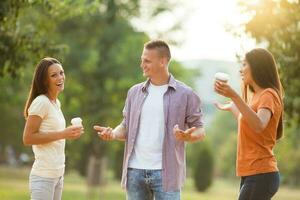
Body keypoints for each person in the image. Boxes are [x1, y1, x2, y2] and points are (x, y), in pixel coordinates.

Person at [94, 40, 205, 200]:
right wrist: (113, 134)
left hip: (167, 174)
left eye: (147, 61)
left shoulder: (185, 94)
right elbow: (126, 126)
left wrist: (189, 136)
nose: (142, 65)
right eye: (142, 60)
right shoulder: (134, 92)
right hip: (135, 172)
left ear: (163, 61)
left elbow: (200, 129)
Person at [214, 48, 284, 200]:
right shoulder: (257, 96)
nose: (241, 70)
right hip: (252, 173)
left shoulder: (268, 94)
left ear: (257, 67)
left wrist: (234, 96)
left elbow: (259, 124)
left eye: (245, 64)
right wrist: (233, 107)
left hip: (262, 172)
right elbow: (250, 122)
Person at [23, 57, 83, 200]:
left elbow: (53, 135)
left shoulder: (56, 103)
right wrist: (63, 134)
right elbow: (28, 138)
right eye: (53, 75)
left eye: (61, 73)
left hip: (58, 175)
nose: (60, 77)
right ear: (44, 80)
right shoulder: (41, 102)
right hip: (43, 177)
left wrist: (70, 133)